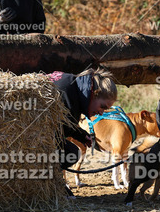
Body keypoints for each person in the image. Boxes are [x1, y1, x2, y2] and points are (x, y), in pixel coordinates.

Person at [49, 67, 118, 196]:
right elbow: (54, 133)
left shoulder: (72, 86)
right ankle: (52, 187)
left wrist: (80, 135)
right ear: (94, 93)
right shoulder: (68, 94)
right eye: (102, 106)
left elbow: (61, 125)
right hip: (31, 140)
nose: (101, 113)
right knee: (70, 153)